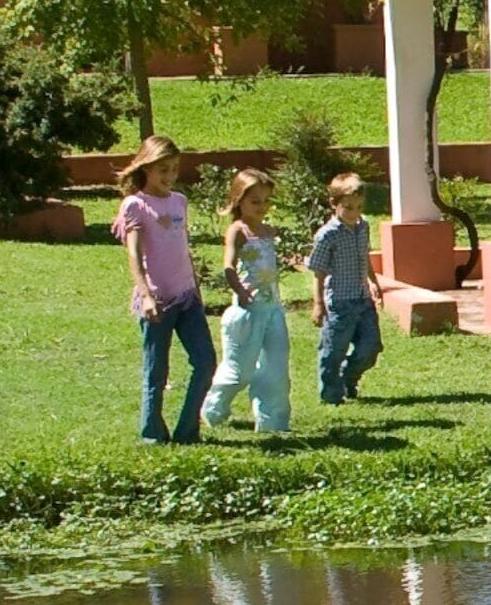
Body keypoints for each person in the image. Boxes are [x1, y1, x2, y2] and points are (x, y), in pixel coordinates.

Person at [113, 138, 214, 444]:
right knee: (157, 370)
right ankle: (153, 433)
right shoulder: (136, 204)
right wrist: (145, 295)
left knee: (206, 361)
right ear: (146, 167)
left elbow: (183, 248)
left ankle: (187, 430)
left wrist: (196, 289)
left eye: (173, 169)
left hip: (186, 297)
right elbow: (134, 254)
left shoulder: (179, 201)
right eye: (162, 170)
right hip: (157, 298)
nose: (169, 176)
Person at [201, 169, 293, 435]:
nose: (262, 207)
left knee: (276, 365)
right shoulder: (237, 230)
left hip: (273, 309)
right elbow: (229, 266)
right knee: (239, 369)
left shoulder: (268, 231)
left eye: (266, 201)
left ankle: (273, 422)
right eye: (255, 201)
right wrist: (239, 291)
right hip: (248, 312)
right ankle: (214, 408)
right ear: (239, 200)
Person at [307, 172, 382, 404]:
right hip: (339, 304)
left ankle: (348, 377)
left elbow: (365, 257)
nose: (354, 213)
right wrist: (318, 305)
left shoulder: (363, 227)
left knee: (371, 347)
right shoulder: (327, 236)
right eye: (348, 207)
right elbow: (318, 273)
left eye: (359, 207)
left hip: (362, 299)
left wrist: (373, 281)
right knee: (333, 352)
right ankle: (331, 395)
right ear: (334, 204)